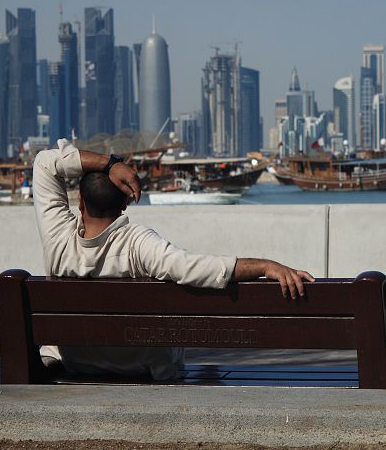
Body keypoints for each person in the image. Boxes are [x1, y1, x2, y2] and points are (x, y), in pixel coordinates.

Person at [34, 138, 314, 380]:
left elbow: (46, 163)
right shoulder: (137, 243)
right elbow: (198, 269)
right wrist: (267, 266)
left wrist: (110, 164)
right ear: (125, 202)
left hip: (77, 365)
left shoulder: (58, 238)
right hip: (141, 369)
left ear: (80, 202)